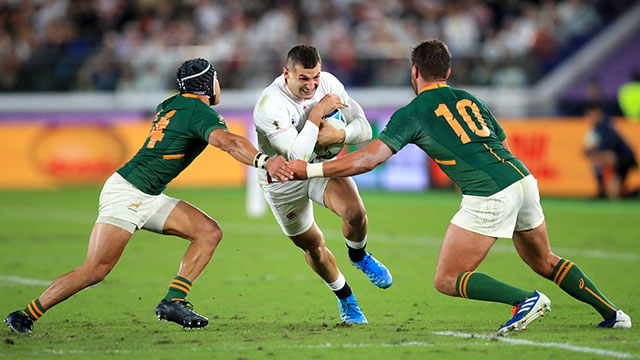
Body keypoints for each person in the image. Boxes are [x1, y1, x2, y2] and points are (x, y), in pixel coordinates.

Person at [287, 40, 632, 333]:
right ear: (447, 73)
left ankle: (525, 301)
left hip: (490, 192)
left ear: (415, 72)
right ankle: (613, 314)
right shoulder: (469, 98)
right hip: (521, 179)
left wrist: (310, 169)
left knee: (448, 278)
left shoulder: (414, 111)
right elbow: (499, 141)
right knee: (544, 260)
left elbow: (368, 160)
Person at [4, 58, 293, 333]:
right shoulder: (199, 112)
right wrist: (264, 161)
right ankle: (24, 315)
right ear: (207, 83)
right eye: (215, 78)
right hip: (129, 193)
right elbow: (228, 142)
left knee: (208, 232)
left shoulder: (169, 104)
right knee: (95, 269)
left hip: (147, 192)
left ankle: (173, 301)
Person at [252, 45, 392, 324]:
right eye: (303, 78)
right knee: (313, 247)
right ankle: (346, 298)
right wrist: (317, 116)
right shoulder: (270, 104)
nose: (312, 85)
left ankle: (359, 255)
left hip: (318, 169)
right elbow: (296, 156)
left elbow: (364, 128)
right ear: (286, 74)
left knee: (354, 211)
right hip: (282, 181)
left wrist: (338, 135)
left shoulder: (329, 83)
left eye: (315, 76)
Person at [584, 101, 638, 199]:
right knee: (616, 194)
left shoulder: (605, 128)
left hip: (623, 159)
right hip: (621, 159)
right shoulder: (598, 129)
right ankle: (630, 192)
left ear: (597, 113)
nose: (590, 118)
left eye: (591, 115)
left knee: (600, 161)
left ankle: (602, 190)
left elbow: (609, 152)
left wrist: (591, 152)